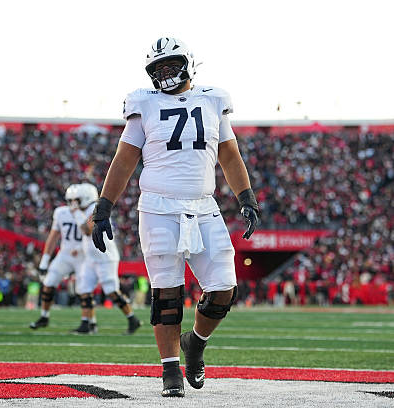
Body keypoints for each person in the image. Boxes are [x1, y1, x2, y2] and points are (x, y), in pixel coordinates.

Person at [91, 37, 259, 397]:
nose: (165, 73)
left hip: (204, 205)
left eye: (172, 65)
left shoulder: (213, 100)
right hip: (158, 207)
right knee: (166, 292)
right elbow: (124, 159)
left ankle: (194, 343)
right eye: (159, 68)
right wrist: (104, 206)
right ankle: (170, 370)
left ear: (188, 64)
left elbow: (229, 155)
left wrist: (246, 197)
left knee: (223, 289)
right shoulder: (144, 103)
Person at [72, 183, 142, 335]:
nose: (75, 203)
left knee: (111, 291)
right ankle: (87, 323)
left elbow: (87, 230)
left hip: (105, 257)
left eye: (77, 200)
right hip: (91, 258)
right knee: (84, 289)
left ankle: (132, 319)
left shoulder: (94, 208)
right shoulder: (87, 210)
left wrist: (76, 213)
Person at [29, 184, 84, 330]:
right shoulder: (61, 212)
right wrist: (44, 262)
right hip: (65, 254)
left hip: (83, 255)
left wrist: (80, 248)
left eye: (77, 200)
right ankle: (44, 316)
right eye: (71, 200)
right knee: (49, 282)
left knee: (85, 289)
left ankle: (89, 321)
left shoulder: (89, 212)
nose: (73, 203)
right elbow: (53, 237)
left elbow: (90, 235)